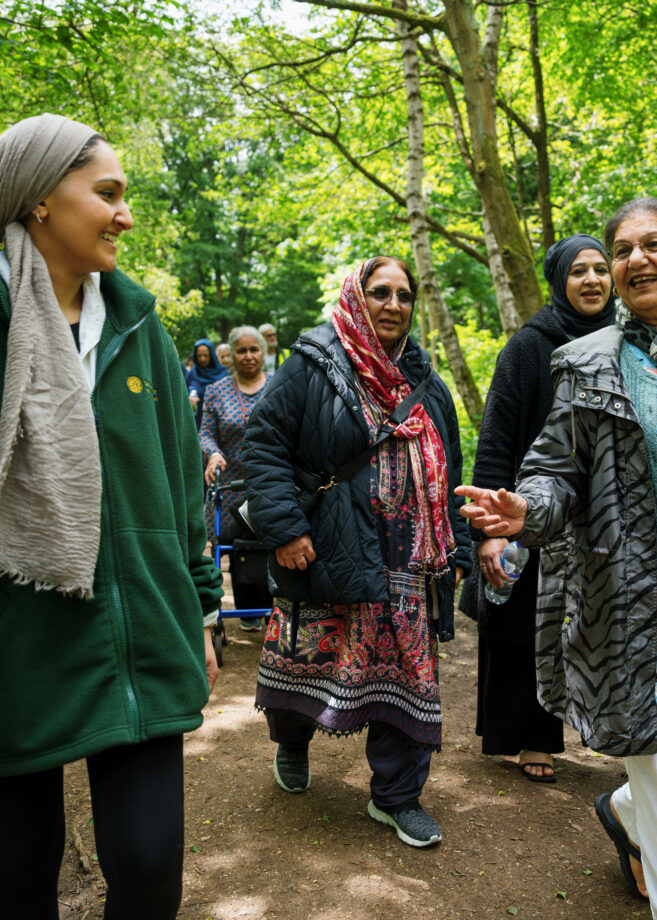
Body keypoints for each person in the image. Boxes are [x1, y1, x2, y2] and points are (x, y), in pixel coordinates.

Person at [0, 114, 222, 919]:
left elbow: (182, 491)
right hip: (8, 661)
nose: (125, 216)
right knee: (20, 883)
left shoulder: (140, 328)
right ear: (38, 200)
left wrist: (199, 612)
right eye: (108, 193)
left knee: (149, 870)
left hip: (141, 649)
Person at [456, 198, 657, 919]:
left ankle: (625, 809)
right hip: (645, 608)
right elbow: (553, 470)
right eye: (623, 250)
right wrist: (525, 512)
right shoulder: (589, 362)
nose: (634, 260)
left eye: (654, 244)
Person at [242, 257, 473, 848]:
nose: (393, 304)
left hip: (409, 562)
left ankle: (397, 796)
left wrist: (460, 548)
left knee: (408, 673)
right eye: (380, 292)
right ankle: (291, 742)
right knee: (306, 658)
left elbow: (451, 470)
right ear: (355, 296)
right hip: (325, 547)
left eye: (404, 295)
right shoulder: (312, 362)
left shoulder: (427, 381)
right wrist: (285, 529)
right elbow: (263, 444)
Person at [459, 234, 614, 782]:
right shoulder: (529, 347)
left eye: (600, 269)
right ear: (558, 281)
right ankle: (532, 737)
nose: (592, 280)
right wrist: (490, 532)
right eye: (578, 271)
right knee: (524, 623)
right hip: (529, 511)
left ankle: (625, 738)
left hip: (603, 516)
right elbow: (496, 439)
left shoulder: (630, 343)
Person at [200, 325, 271, 631]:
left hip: (271, 485)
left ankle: (275, 608)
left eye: (254, 349)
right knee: (237, 548)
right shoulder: (216, 391)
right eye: (241, 350)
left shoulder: (279, 385)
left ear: (263, 352)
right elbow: (205, 434)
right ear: (231, 355)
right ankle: (247, 610)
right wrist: (213, 453)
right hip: (230, 488)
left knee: (274, 543)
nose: (248, 356)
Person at [186, 337, 228, 428]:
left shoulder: (222, 373)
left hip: (219, 423)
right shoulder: (191, 374)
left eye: (206, 355)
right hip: (196, 423)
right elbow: (183, 396)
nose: (202, 359)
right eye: (199, 356)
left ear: (211, 355)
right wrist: (188, 401)